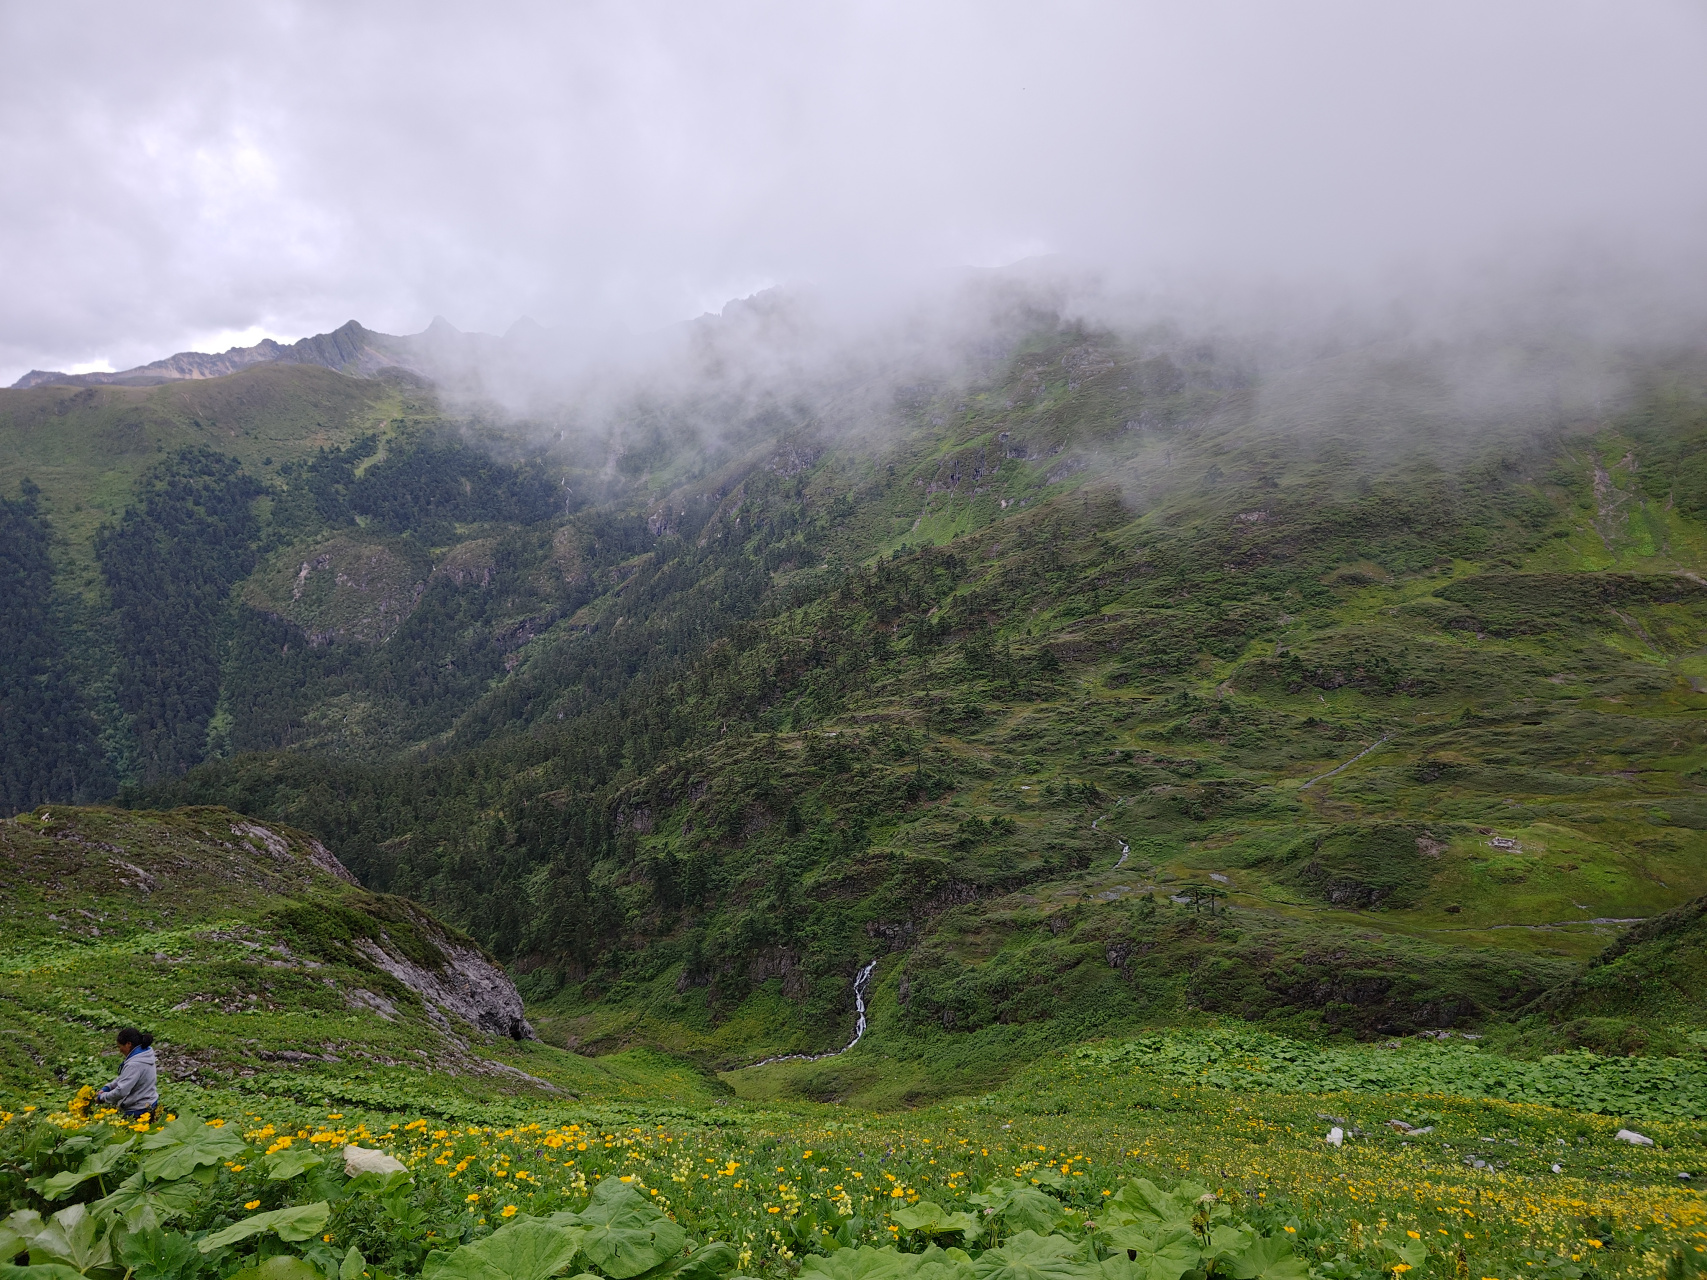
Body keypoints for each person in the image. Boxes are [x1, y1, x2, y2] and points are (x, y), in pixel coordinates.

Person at [96, 1028, 158, 1120]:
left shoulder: (134, 1065)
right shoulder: (145, 1054)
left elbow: (121, 1091)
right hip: (150, 1102)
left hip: (139, 1110)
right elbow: (125, 1078)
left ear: (128, 1044)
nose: (120, 1050)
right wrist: (108, 1088)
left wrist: (102, 1097)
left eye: (120, 1046)